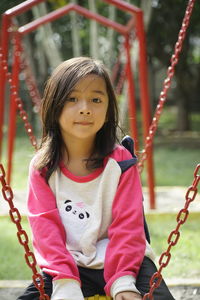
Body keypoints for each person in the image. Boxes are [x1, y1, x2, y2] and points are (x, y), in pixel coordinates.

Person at [17, 57, 174, 300]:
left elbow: (128, 226)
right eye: (72, 98)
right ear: (53, 105)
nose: (85, 108)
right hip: (66, 264)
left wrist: (123, 280)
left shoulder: (121, 162)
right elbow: (45, 230)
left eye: (96, 99)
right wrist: (65, 282)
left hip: (125, 260)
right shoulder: (43, 167)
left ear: (108, 108)